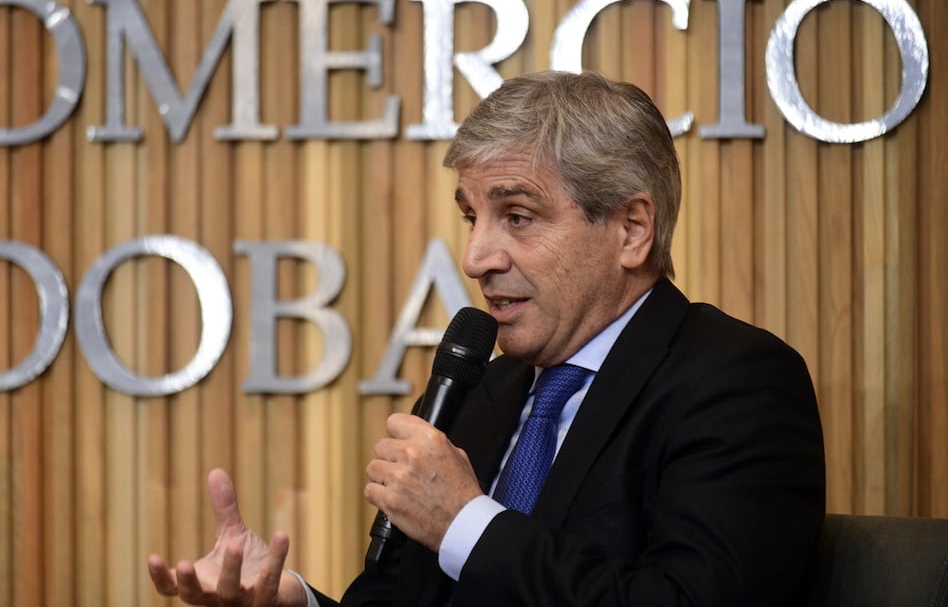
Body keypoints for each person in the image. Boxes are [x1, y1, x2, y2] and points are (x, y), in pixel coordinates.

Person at [148, 70, 826, 606]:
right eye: (472, 217)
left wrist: (466, 522)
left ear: (631, 230)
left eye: (518, 216)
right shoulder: (479, 392)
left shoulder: (736, 383)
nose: (476, 258)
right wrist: (292, 602)